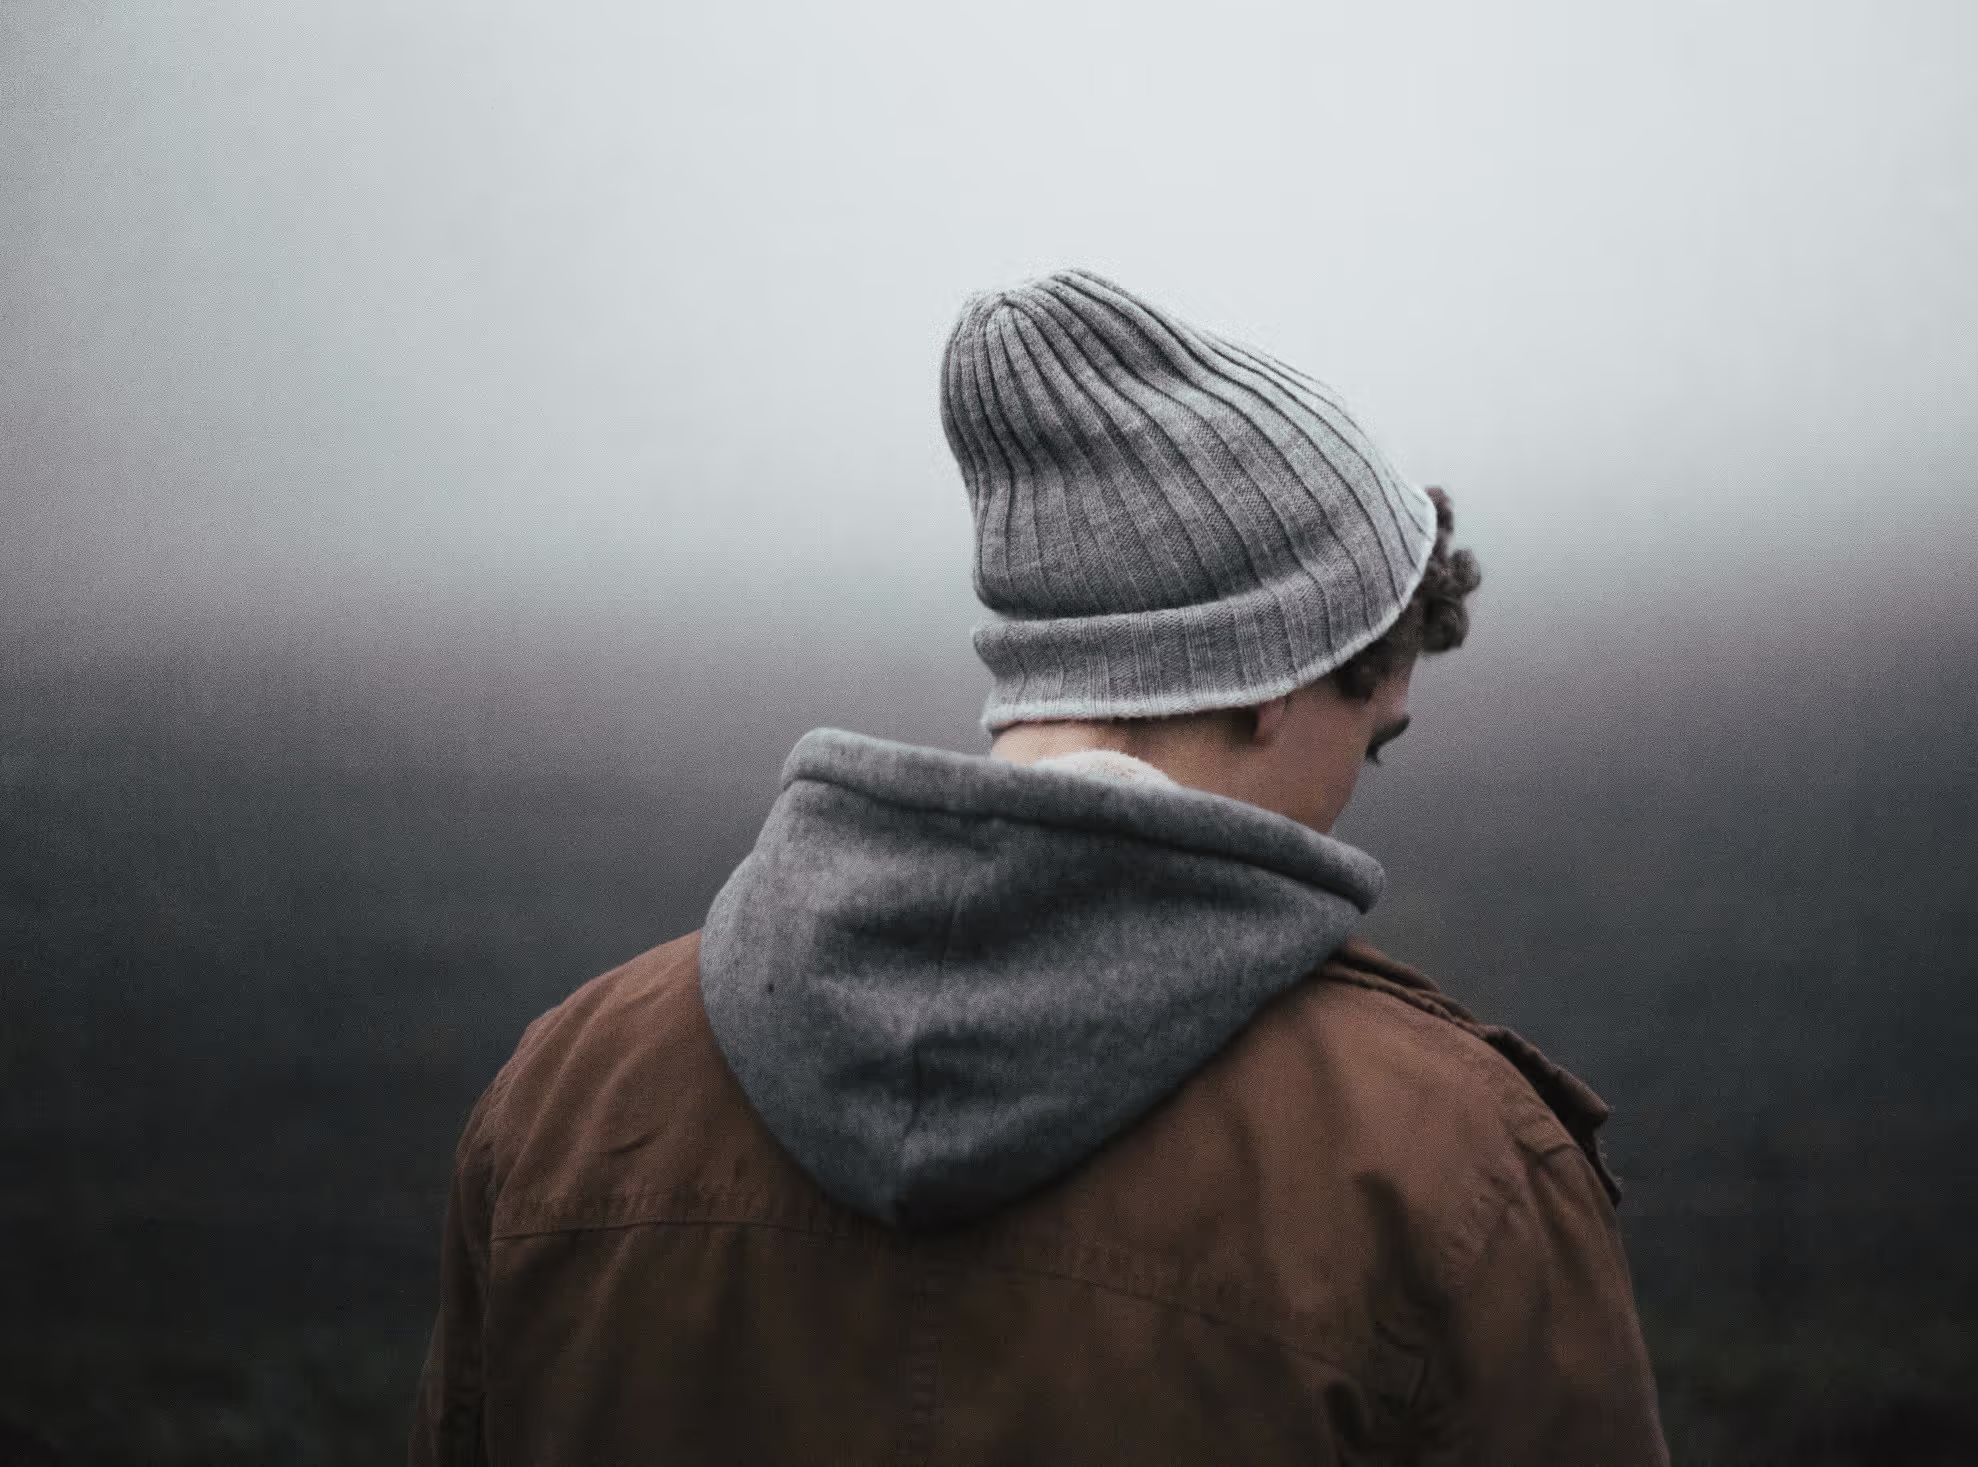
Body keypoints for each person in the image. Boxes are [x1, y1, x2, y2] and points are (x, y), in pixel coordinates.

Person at [410, 268, 1668, 1464]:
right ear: (1276, 677)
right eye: (1372, 746)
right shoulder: (1454, 1170)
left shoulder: (564, 1100)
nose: (1350, 806)